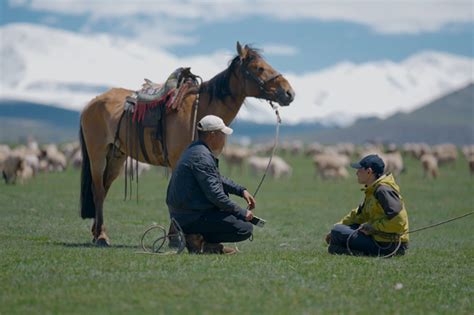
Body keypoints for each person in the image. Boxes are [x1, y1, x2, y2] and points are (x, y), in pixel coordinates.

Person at [166, 115, 256, 254]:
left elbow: (216, 178)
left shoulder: (196, 150)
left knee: (236, 219)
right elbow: (216, 196)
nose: (225, 139)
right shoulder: (202, 156)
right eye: (223, 134)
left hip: (183, 213)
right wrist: (242, 212)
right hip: (189, 216)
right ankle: (199, 239)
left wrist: (240, 191)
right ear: (213, 135)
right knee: (245, 228)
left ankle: (204, 241)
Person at [325, 154, 409, 256]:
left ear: (369, 172)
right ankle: (356, 252)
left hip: (390, 244)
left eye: (360, 170)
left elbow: (399, 221)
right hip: (381, 239)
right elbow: (358, 215)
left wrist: (373, 228)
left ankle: (364, 253)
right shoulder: (373, 189)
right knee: (337, 236)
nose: (356, 173)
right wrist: (339, 225)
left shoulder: (383, 190)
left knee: (337, 233)